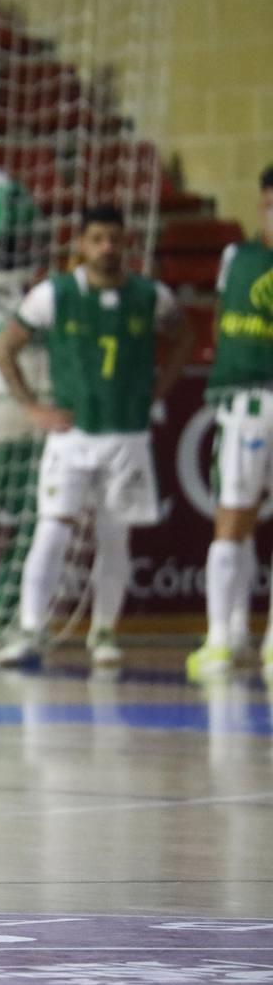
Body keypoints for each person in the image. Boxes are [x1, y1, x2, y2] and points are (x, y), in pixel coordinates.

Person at [0, 205, 194, 667]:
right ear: (80, 244)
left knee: (114, 536)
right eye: (97, 238)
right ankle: (30, 631)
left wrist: (160, 387)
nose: (107, 248)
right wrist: (32, 406)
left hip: (127, 437)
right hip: (72, 436)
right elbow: (3, 347)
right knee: (52, 529)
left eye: (115, 239)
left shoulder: (150, 295)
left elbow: (184, 335)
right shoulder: (54, 295)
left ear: (126, 243)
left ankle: (103, 633)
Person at [187, 165, 273, 681]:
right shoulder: (237, 257)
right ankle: (223, 637)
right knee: (233, 518)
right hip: (245, 401)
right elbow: (222, 321)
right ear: (264, 200)